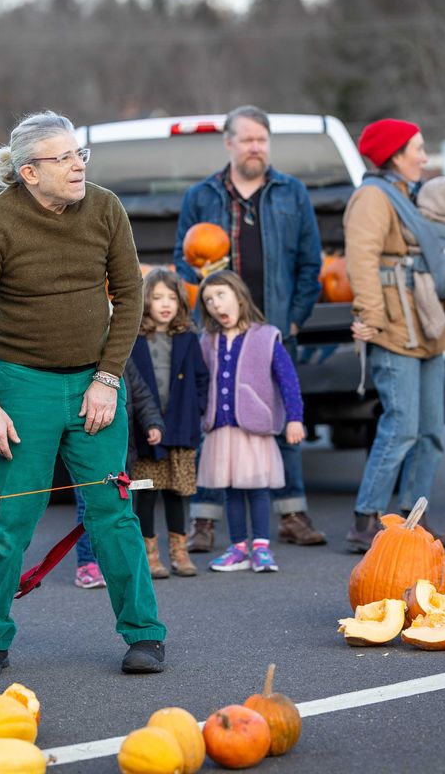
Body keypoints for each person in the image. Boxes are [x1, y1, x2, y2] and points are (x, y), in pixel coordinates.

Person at [0, 110, 167, 676]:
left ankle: (144, 633)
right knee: (10, 522)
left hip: (96, 382)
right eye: (64, 157)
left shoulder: (104, 207)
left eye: (80, 155)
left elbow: (129, 296)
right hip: (23, 386)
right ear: (29, 172)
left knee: (113, 512)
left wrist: (107, 378)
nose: (78, 166)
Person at [174, 105, 325, 550]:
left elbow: (310, 262)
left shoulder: (291, 193)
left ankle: (292, 514)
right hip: (218, 335)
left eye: (262, 139)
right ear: (229, 143)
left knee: (278, 420)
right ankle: (205, 522)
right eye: (247, 139)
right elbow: (185, 261)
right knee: (213, 424)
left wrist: (294, 318)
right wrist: (206, 290)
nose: (255, 146)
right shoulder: (201, 196)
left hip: (270, 331)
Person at [344, 119, 445, 553]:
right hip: (393, 326)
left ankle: (414, 519)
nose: (424, 157)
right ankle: (364, 519)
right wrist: (370, 316)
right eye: (418, 149)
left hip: (427, 323)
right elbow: (362, 260)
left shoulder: (407, 194)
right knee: (401, 427)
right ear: (394, 154)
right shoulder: (372, 196)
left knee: (430, 430)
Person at [195, 270, 305, 574]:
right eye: (208, 300)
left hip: (254, 429)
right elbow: (199, 383)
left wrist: (295, 418)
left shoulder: (266, 336)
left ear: (239, 296)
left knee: (257, 488)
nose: (216, 304)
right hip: (221, 429)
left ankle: (261, 547)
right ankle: (238, 547)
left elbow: (288, 381)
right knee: (230, 488)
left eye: (221, 295)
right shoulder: (207, 340)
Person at [128, 269, 209, 577]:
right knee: (146, 493)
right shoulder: (134, 338)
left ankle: (180, 551)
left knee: (177, 492)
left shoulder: (187, 337)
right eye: (158, 297)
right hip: (145, 432)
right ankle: (150, 554)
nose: (165, 304)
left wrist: (196, 410)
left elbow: (201, 378)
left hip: (179, 431)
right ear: (145, 300)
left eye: (172, 298)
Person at [75, 357, 164, 585]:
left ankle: (118, 563)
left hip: (121, 449)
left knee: (120, 506)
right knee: (89, 505)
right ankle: (87, 563)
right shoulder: (78, 363)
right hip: (86, 446)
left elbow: (142, 395)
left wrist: (153, 423)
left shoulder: (124, 361)